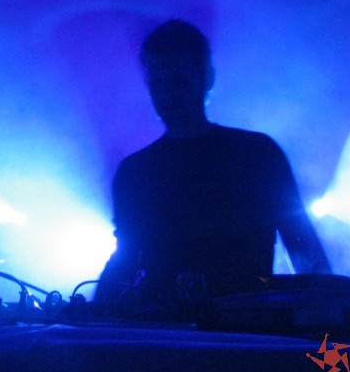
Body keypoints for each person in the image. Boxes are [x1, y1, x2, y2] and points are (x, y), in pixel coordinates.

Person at [95, 19, 330, 303]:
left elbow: (303, 246)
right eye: (157, 83)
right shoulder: (135, 172)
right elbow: (126, 257)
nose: (167, 94)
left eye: (178, 80)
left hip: (238, 323)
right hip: (201, 324)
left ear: (206, 77)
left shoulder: (258, 155)